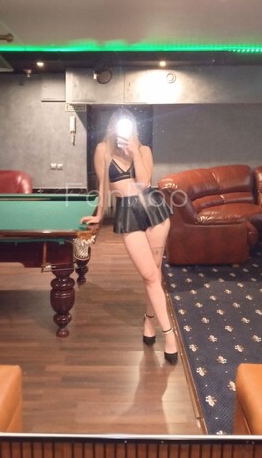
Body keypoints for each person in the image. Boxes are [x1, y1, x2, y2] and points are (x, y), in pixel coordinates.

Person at [81, 108, 178, 364]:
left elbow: (144, 184)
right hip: (128, 213)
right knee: (149, 275)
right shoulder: (103, 150)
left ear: (134, 127)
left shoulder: (144, 150)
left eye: (128, 125)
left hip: (154, 210)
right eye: (119, 125)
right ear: (113, 127)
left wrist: (135, 153)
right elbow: (103, 186)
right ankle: (169, 334)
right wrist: (99, 214)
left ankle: (149, 321)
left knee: (154, 273)